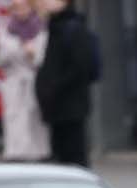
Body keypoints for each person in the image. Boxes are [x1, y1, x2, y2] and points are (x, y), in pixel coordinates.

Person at [35, 0, 96, 167]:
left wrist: (54, 87)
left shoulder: (72, 28)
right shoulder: (53, 27)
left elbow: (80, 66)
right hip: (56, 105)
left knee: (74, 154)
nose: (45, 3)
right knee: (61, 154)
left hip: (70, 104)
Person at [0, 0, 51, 162]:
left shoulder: (41, 28)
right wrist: (18, 49)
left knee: (35, 116)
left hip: (34, 79)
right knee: (13, 116)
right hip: (13, 81)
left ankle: (39, 151)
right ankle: (15, 152)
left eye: (23, 6)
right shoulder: (5, 30)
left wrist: (31, 54)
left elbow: (42, 56)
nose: (20, 11)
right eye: (16, 7)